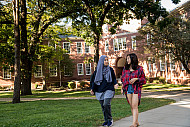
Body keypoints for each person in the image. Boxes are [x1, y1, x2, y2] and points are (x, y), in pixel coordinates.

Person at [90, 55, 118, 127]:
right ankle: (106, 120)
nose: (106, 61)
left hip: (109, 89)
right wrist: (92, 89)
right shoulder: (96, 72)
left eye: (107, 60)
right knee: (103, 106)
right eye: (105, 60)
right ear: (101, 61)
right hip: (99, 90)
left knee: (106, 104)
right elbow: (93, 81)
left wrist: (115, 84)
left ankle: (110, 119)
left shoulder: (110, 70)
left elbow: (114, 78)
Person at [121, 53, 146, 127]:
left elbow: (144, 80)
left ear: (133, 59)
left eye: (128, 58)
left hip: (136, 89)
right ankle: (136, 121)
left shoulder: (139, 69)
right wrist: (122, 87)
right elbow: (123, 79)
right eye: (127, 58)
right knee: (132, 106)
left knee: (135, 106)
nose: (127, 60)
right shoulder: (125, 69)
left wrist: (137, 79)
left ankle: (134, 123)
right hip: (128, 88)